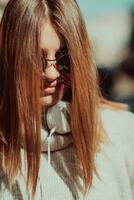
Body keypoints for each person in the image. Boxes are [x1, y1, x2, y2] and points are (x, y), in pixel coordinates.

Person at [0, 0, 134, 200]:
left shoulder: (122, 132)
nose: (52, 73)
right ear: (10, 59)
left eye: (64, 57)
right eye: (35, 58)